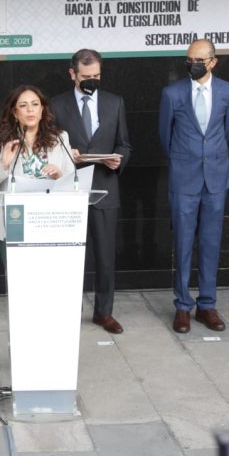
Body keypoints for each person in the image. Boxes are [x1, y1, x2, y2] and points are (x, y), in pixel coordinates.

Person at [158, 39, 229, 333]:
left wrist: (209, 159)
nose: (193, 64)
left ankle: (207, 305)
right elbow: (164, 136)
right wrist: (184, 161)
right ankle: (182, 305)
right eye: (189, 59)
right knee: (183, 243)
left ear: (213, 62)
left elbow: (225, 131)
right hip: (184, 178)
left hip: (216, 178)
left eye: (199, 60)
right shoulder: (172, 93)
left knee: (211, 243)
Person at [51, 50, 131, 334]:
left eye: (97, 76)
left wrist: (118, 159)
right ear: (72, 73)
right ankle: (63, 311)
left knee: (106, 256)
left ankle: (104, 313)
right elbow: (47, 146)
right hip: (69, 190)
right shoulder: (56, 105)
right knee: (67, 257)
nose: (92, 81)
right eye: (86, 77)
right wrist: (65, 154)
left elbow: (124, 144)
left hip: (105, 188)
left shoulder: (114, 102)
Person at [0, 85, 76, 245]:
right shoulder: (0, 140)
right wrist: (3, 165)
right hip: (15, 223)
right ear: (15, 113)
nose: (30, 110)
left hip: (52, 222)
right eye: (23, 105)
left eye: (35, 104)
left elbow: (76, 186)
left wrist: (60, 176)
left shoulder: (60, 139)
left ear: (42, 110)